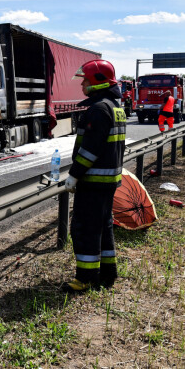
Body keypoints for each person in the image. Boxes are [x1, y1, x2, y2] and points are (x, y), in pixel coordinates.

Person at [63, 59, 126, 293]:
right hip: (108, 182)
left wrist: (74, 176)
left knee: (85, 229)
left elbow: (89, 150)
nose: (83, 86)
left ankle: (86, 279)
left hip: (93, 182)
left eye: (86, 81)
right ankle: (107, 274)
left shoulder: (98, 110)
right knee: (104, 226)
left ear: (98, 82)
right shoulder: (114, 107)